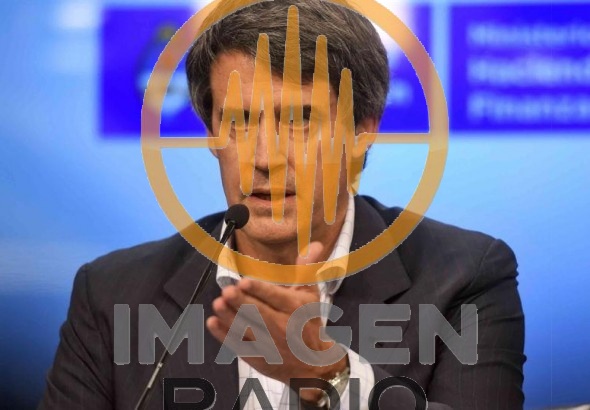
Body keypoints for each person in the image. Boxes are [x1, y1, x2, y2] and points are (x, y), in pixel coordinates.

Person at [39, 0, 525, 409]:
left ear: (364, 130)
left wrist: (330, 375)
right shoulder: (112, 295)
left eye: (299, 120)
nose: (264, 158)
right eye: (240, 121)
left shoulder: (463, 277)